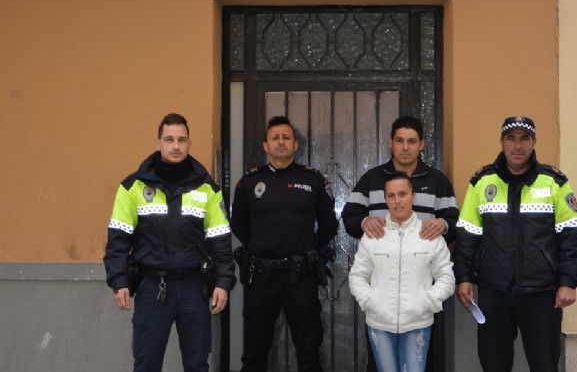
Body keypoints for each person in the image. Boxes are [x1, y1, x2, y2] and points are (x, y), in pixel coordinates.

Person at [103, 113, 236, 372]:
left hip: (194, 287)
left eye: (182, 140)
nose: (176, 146)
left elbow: (220, 240)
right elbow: (118, 238)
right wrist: (119, 280)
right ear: (158, 143)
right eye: (169, 139)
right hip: (152, 287)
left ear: (189, 144)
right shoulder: (133, 187)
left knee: (197, 364)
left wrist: (223, 282)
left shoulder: (207, 189)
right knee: (146, 363)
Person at [453, 116, 577, 372]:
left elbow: (571, 236)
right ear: (502, 142)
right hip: (494, 289)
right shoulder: (482, 182)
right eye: (511, 138)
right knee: (493, 364)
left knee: (544, 364)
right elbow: (467, 234)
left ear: (534, 142)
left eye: (524, 138)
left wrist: (568, 281)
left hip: (542, 291)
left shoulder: (554, 182)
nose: (517, 146)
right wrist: (464, 278)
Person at [341, 115, 458, 371]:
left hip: (419, 305)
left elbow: (454, 222)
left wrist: (444, 225)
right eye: (400, 141)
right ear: (391, 143)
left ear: (422, 144)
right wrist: (364, 222)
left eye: (411, 141)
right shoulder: (372, 179)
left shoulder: (438, 180)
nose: (405, 147)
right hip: (381, 307)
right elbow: (349, 217)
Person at [231, 115, 338, 372]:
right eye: (275, 138)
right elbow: (239, 225)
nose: (281, 142)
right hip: (261, 276)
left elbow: (328, 225)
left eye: (286, 138)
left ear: (295, 145)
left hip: (301, 276)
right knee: (255, 350)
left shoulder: (313, 180)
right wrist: (260, 246)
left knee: (309, 350)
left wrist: (309, 248)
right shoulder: (249, 182)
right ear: (265, 145)